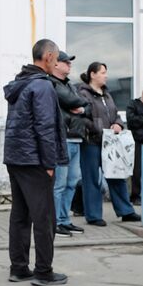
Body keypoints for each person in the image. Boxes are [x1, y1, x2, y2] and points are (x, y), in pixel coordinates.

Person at [3, 39, 68, 286]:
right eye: (58, 57)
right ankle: (43, 271)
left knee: (20, 215)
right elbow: (44, 126)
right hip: (35, 160)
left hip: (16, 157)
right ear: (49, 56)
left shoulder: (20, 83)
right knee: (44, 217)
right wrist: (49, 162)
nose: (59, 62)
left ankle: (18, 268)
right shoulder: (41, 86)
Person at [75, 63, 137, 224]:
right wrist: (100, 130)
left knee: (117, 175)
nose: (106, 76)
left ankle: (126, 211)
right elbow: (82, 119)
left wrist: (118, 124)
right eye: (103, 72)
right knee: (92, 179)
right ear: (92, 75)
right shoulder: (83, 94)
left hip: (110, 143)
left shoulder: (107, 95)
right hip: (91, 143)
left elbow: (116, 114)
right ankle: (94, 216)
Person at [51, 51, 88, 238]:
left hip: (76, 138)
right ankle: (55, 222)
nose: (69, 65)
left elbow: (85, 103)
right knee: (59, 184)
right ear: (55, 64)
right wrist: (77, 106)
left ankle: (65, 220)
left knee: (72, 182)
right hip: (63, 138)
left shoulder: (69, 85)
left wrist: (79, 106)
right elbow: (72, 101)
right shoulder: (52, 83)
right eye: (65, 62)